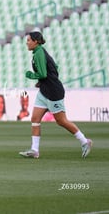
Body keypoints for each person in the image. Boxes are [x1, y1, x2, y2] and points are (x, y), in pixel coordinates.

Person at [19, 29, 92, 159]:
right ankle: (35, 150)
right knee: (35, 119)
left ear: (36, 41)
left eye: (29, 40)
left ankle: (85, 141)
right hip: (44, 91)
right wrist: (41, 82)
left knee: (61, 121)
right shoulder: (38, 52)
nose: (27, 43)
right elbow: (55, 68)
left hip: (53, 92)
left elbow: (43, 74)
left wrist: (30, 75)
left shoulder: (39, 53)